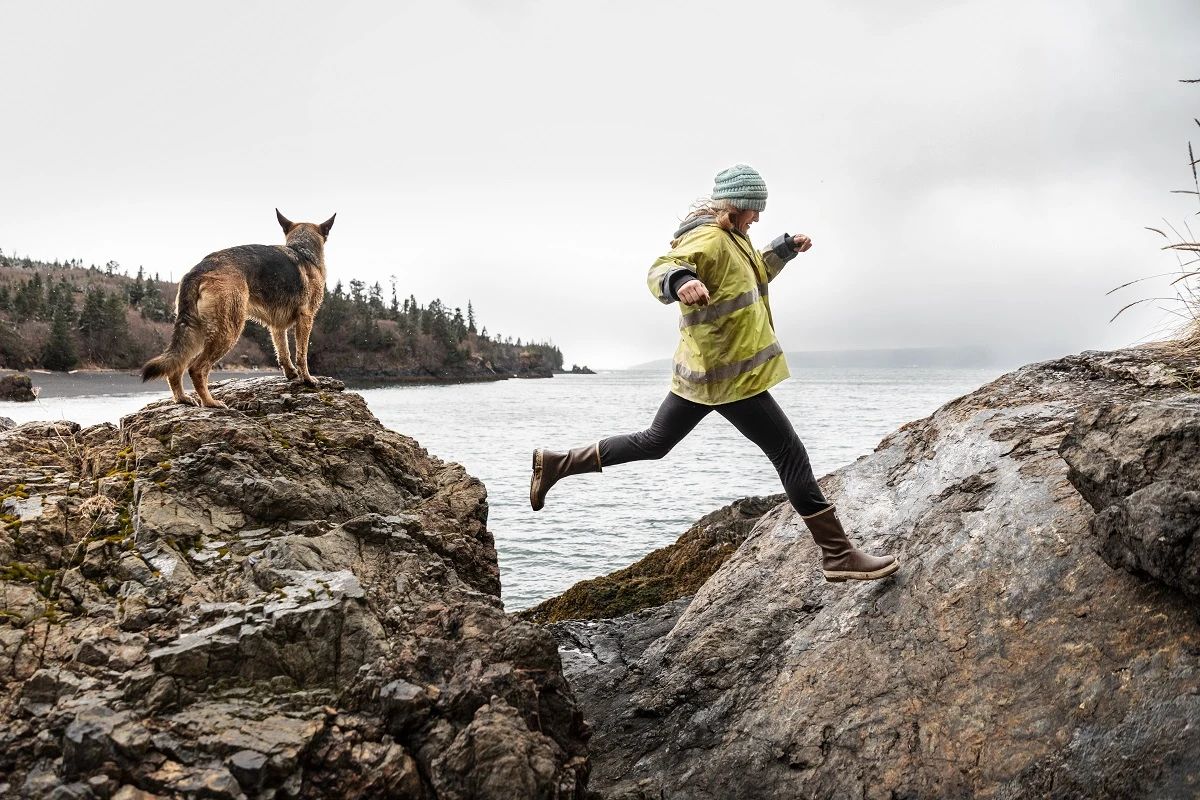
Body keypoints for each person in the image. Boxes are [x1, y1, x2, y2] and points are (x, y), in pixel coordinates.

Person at [529, 165, 898, 583]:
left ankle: (557, 464)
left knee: (654, 443)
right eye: (754, 210)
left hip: (701, 375)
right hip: (728, 377)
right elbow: (661, 268)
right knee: (790, 456)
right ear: (736, 206)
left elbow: (750, 275)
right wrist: (679, 280)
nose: (757, 218)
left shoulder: (734, 240)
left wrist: (785, 249)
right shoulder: (709, 238)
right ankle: (838, 555)